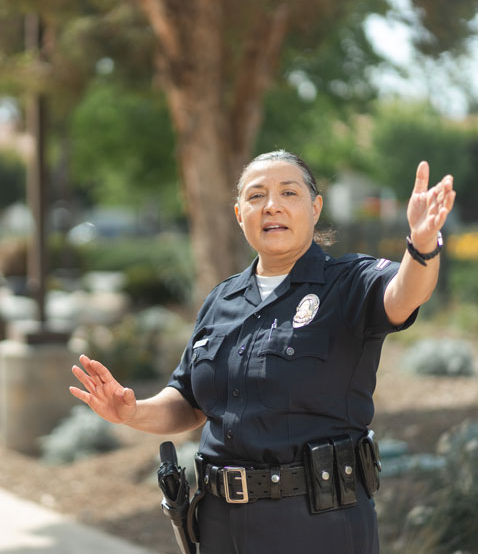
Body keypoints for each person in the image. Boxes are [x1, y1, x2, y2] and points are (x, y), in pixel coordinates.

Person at [70, 150, 455, 554]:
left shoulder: (348, 283)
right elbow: (188, 401)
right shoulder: (221, 300)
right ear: (240, 214)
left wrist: (422, 245)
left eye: (289, 192)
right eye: (256, 196)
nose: (272, 206)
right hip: (219, 524)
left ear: (315, 207)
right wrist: (132, 411)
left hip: (318, 524)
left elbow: (406, 294)